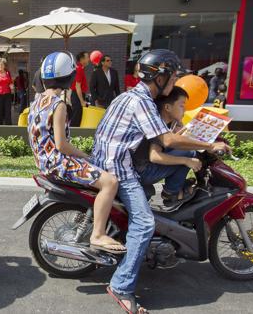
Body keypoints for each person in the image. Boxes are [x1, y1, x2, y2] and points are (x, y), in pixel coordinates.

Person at [92, 49, 230, 313]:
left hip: (109, 163)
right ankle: (121, 287)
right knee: (144, 223)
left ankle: (167, 203)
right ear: (161, 76)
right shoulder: (142, 101)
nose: (175, 82)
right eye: (174, 76)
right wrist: (208, 144)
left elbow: (164, 134)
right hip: (119, 169)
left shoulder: (131, 95)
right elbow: (166, 141)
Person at [28, 51, 125, 253]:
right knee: (110, 182)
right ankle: (98, 234)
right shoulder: (58, 104)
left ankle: (91, 218)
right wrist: (86, 156)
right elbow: (62, 145)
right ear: (70, 77)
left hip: (44, 163)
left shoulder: (36, 101)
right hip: (58, 164)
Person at [132, 86, 201, 210]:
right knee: (188, 152)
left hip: (139, 166)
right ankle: (172, 192)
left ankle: (175, 187)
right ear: (168, 107)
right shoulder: (158, 123)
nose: (184, 109)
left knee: (184, 149)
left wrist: (181, 134)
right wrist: (187, 161)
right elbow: (155, 156)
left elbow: (165, 143)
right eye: (181, 105)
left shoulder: (163, 119)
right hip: (143, 171)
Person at [70, 51, 89, 127]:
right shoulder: (79, 69)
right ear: (82, 59)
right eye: (87, 57)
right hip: (77, 96)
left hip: (76, 95)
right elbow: (78, 86)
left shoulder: (78, 68)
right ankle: (72, 136)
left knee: (76, 118)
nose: (89, 59)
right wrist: (82, 101)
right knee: (76, 119)